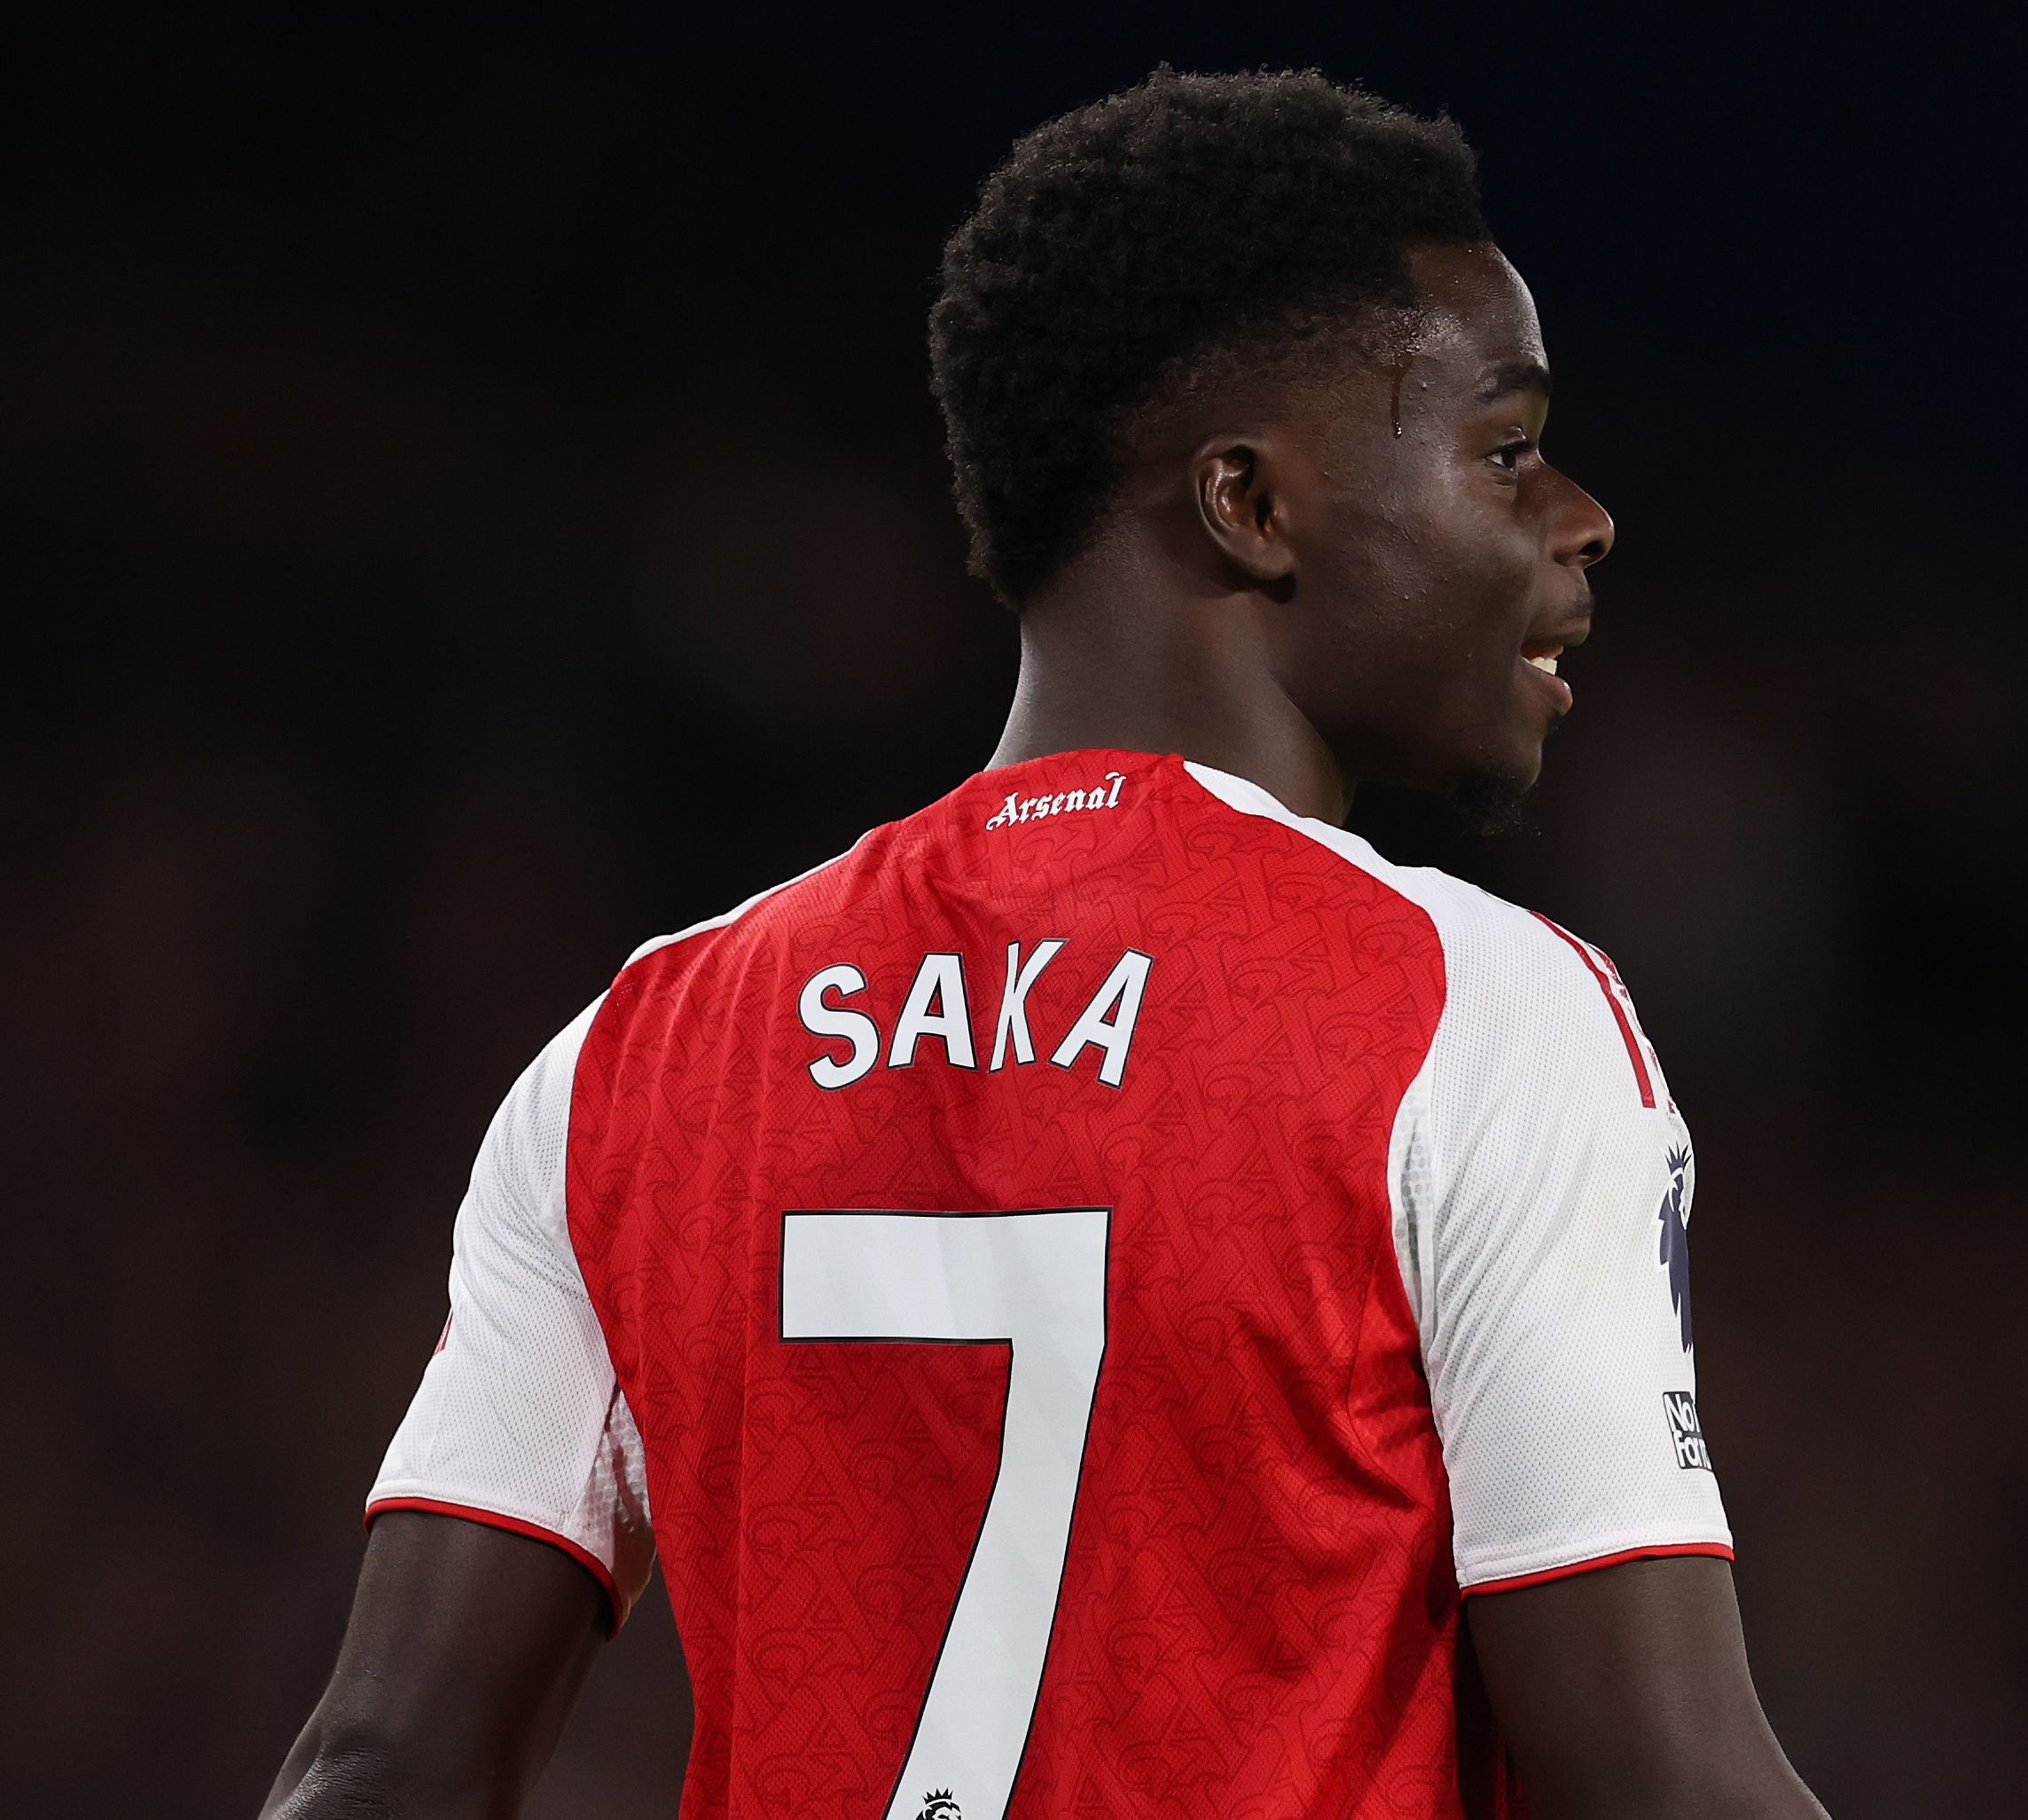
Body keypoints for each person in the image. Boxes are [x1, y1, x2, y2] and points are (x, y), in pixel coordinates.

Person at [261, 67, 1826, 1820]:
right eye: (1507, 449)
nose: (1580, 514)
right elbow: (1661, 1782)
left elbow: (386, 1762)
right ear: (1253, 504)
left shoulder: (639, 1056)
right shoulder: (1472, 1015)